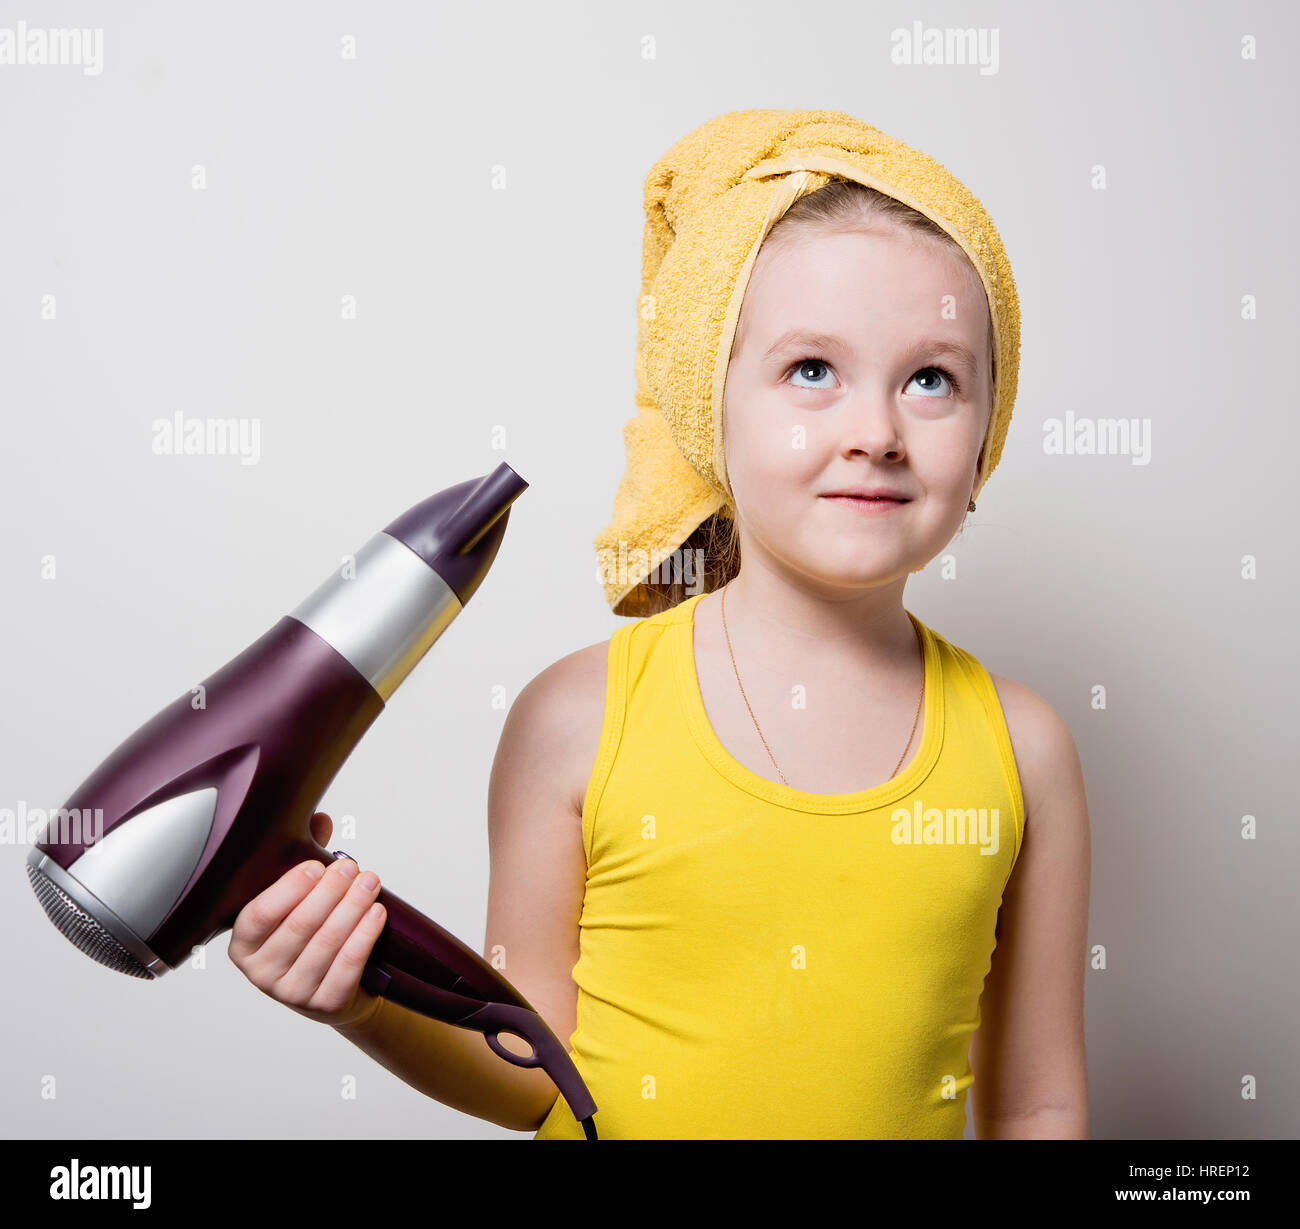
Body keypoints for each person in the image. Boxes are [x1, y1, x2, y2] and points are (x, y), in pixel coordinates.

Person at [228, 109, 1091, 1139]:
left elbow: (1036, 1100)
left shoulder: (1023, 748)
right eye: (810, 370)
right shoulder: (577, 716)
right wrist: (363, 1001)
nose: (874, 433)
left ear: (987, 431)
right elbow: (532, 1068)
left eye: (931, 378)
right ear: (706, 405)